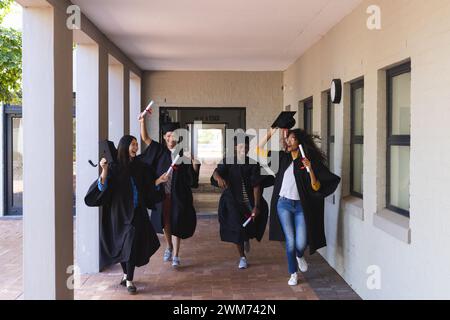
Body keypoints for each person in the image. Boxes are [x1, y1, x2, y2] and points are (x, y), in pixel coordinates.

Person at [84, 135, 168, 294]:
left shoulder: (140, 166)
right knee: (123, 245)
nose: (136, 147)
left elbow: (146, 187)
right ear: (124, 147)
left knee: (131, 243)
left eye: (137, 144)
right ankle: (125, 274)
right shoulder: (114, 167)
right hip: (119, 214)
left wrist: (159, 181)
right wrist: (104, 170)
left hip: (137, 213)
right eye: (133, 144)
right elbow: (102, 188)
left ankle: (129, 279)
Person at [258, 127, 340, 286]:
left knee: (301, 242)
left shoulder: (309, 161)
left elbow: (316, 187)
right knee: (290, 240)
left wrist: (310, 170)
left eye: (292, 139)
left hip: (301, 206)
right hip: (284, 204)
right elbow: (258, 150)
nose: (288, 141)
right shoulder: (282, 158)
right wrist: (271, 131)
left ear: (300, 142)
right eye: (287, 138)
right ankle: (293, 273)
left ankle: (299, 255)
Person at [139, 113, 200, 268]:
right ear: (165, 137)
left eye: (173, 135)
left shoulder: (182, 154)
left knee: (177, 222)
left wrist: (194, 165)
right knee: (166, 223)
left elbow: (190, 178)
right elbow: (146, 138)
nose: (170, 137)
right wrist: (142, 121)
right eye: (168, 135)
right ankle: (169, 246)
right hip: (162, 194)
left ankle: (176, 255)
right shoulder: (159, 151)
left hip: (178, 195)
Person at [211, 133, 274, 269]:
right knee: (237, 228)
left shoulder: (252, 164)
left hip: (248, 202)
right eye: (240, 147)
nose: (243, 150)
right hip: (232, 201)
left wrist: (256, 206)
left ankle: (245, 239)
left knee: (248, 228)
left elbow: (256, 185)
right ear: (235, 147)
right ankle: (242, 257)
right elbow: (216, 171)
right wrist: (218, 178)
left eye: (246, 147)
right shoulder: (228, 161)